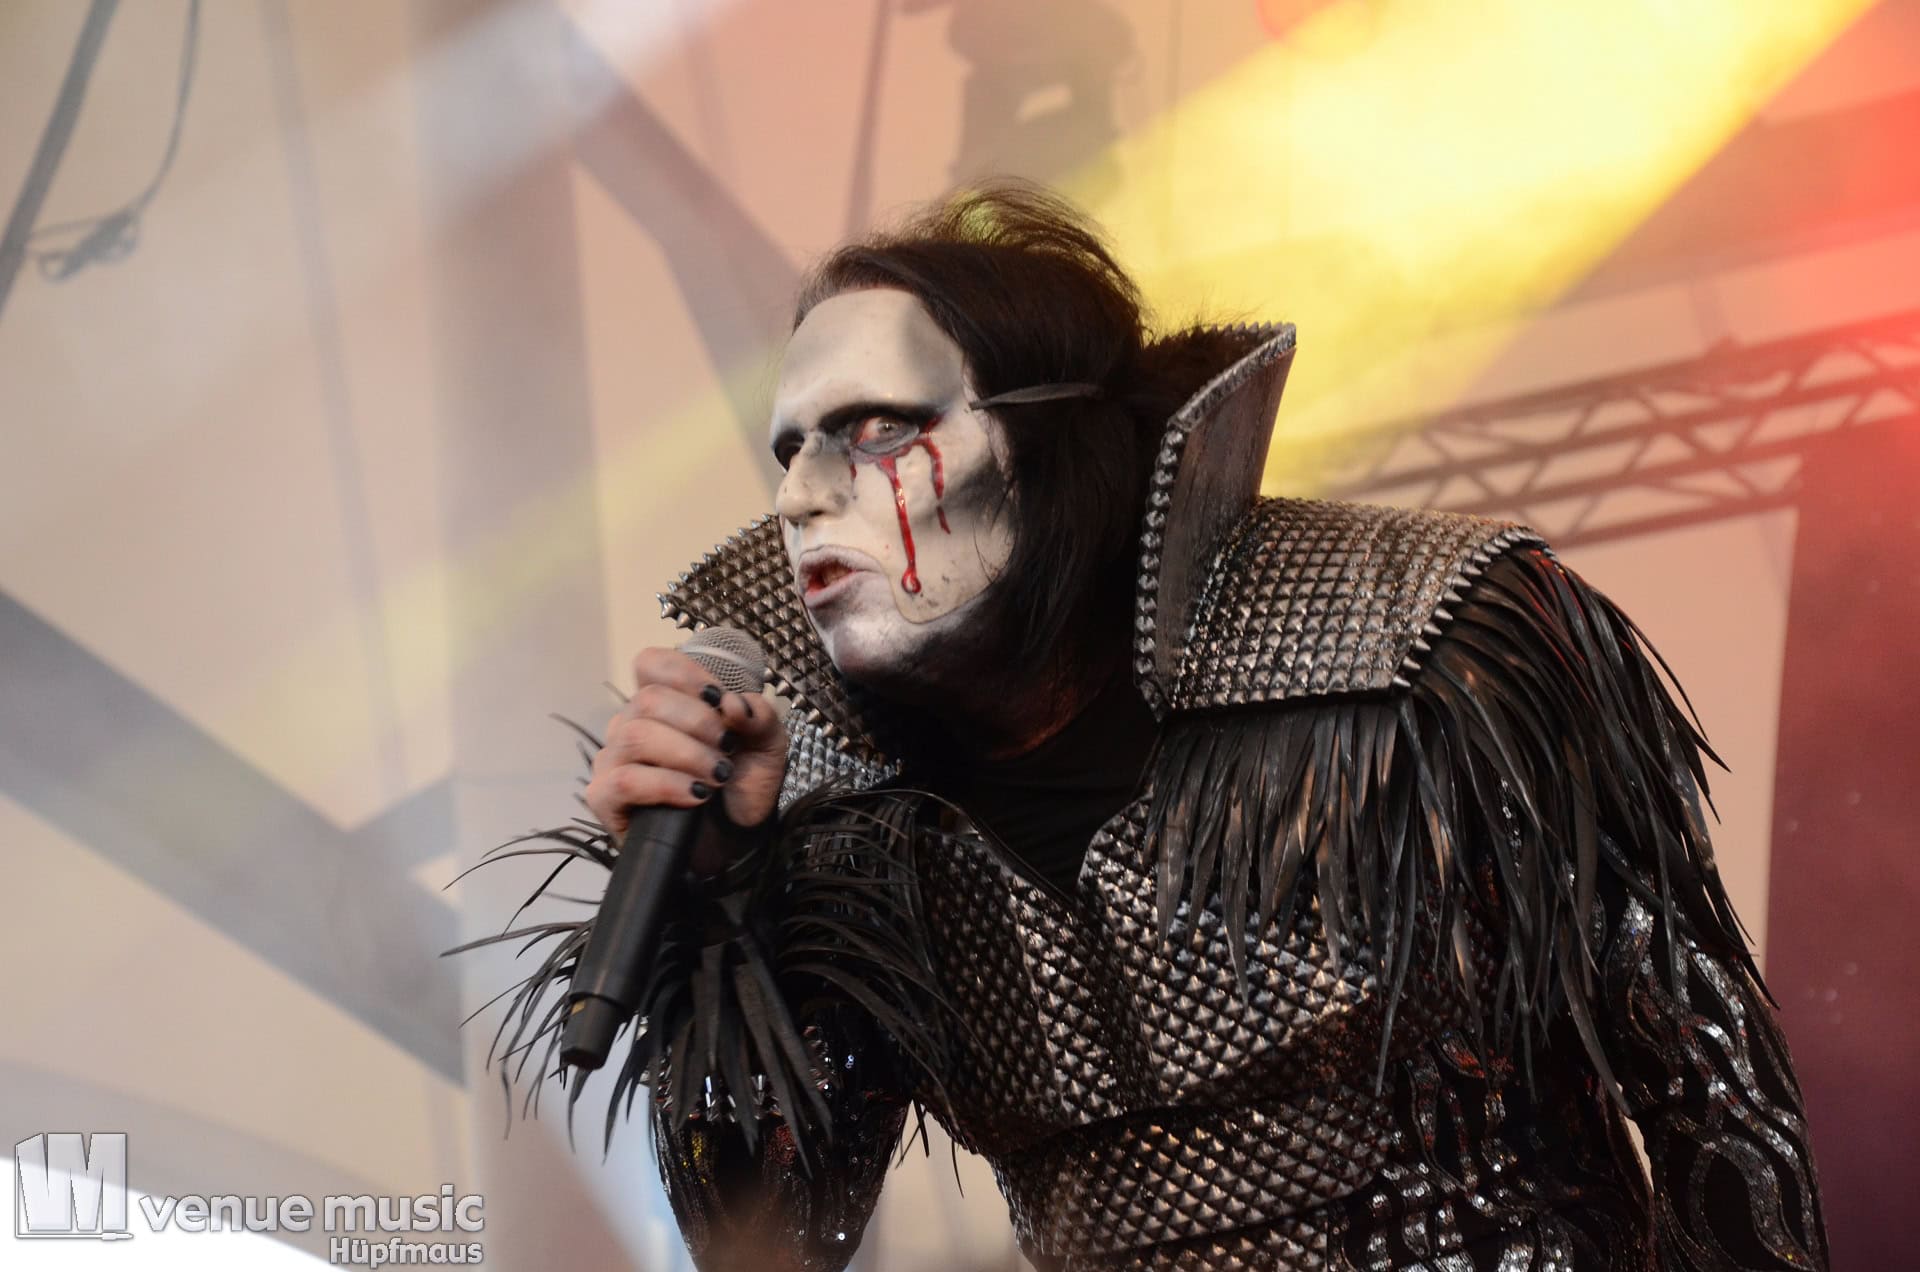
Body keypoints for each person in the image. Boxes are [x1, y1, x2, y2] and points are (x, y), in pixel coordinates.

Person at [476, 183, 1827, 1270]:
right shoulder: (838, 828)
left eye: (873, 428)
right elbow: (766, 1240)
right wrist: (723, 908)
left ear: (1051, 445)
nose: (800, 498)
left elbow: (1712, 1098)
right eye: (787, 451)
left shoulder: (1422, 644)